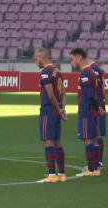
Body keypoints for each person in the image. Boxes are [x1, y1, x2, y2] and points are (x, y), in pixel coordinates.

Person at [69, 47, 106, 178]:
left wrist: (96, 107)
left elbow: (90, 95)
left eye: (72, 59)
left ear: (79, 58)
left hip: (86, 112)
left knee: (86, 139)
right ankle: (95, 167)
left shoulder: (85, 73)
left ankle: (91, 168)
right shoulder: (90, 72)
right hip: (91, 111)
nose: (71, 62)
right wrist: (99, 107)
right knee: (94, 139)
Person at [35, 48, 67, 184]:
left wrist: (58, 109)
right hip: (57, 111)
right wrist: (62, 108)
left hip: (48, 111)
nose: (35, 61)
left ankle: (52, 174)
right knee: (57, 142)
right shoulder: (57, 71)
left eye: (36, 58)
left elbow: (50, 94)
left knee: (47, 142)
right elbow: (64, 92)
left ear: (42, 57)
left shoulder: (45, 72)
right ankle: (62, 174)